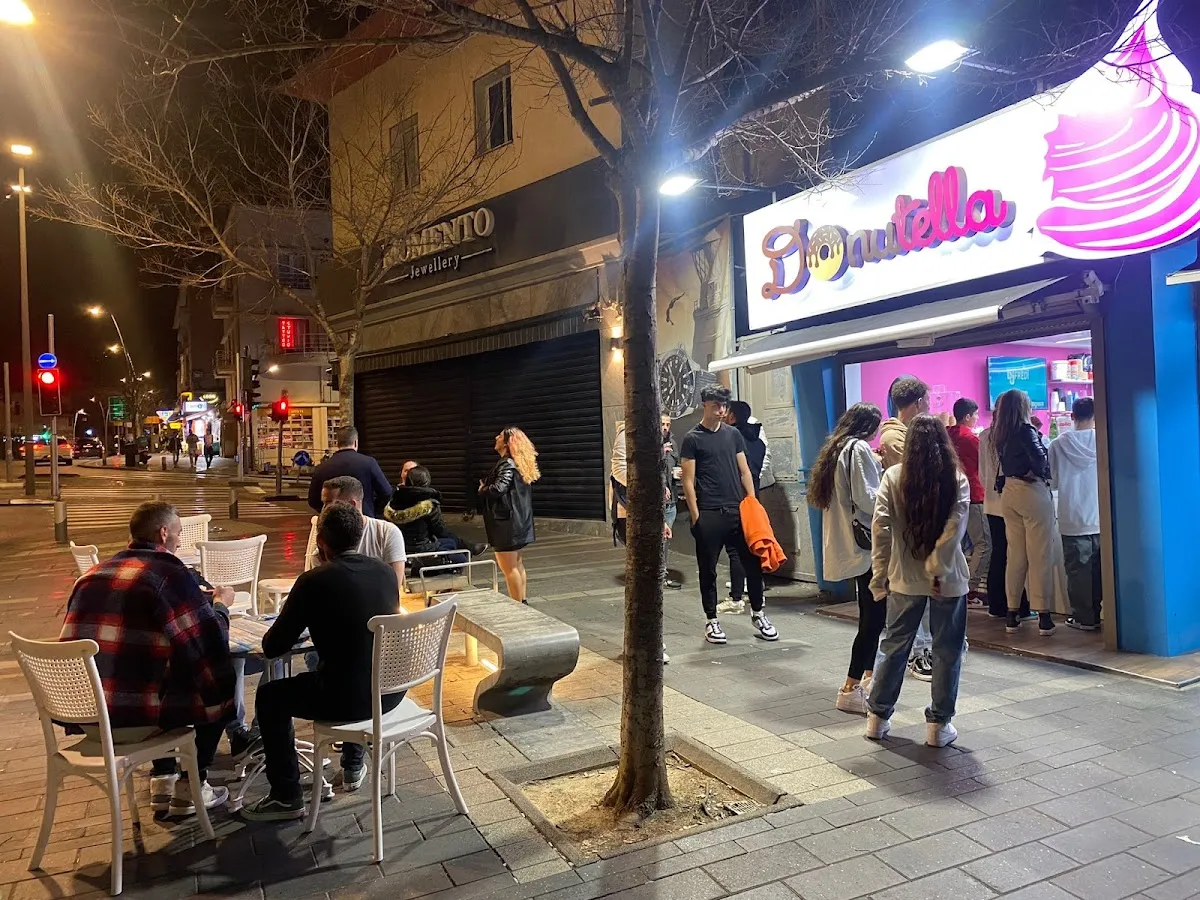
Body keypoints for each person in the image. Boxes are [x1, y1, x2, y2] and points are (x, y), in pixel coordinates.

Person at [60, 501, 237, 815]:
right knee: (216, 683)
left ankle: (163, 778)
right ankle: (192, 785)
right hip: (138, 719)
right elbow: (208, 639)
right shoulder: (169, 574)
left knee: (151, 671)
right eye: (179, 533)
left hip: (88, 716)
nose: (180, 541)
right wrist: (221, 605)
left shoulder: (90, 576)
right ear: (164, 533)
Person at [242, 504, 402, 821]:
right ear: (359, 536)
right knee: (351, 666)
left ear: (320, 541)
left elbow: (273, 646)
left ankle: (285, 796)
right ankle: (352, 764)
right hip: (391, 693)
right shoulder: (385, 572)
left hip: (347, 699)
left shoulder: (313, 581)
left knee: (271, 697)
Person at [866, 415, 971, 748]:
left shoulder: (893, 476)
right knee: (947, 650)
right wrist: (937, 567)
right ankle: (939, 725)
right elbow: (955, 528)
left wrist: (879, 576)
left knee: (894, 645)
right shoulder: (956, 478)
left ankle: (877, 718)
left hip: (903, 578)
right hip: (948, 579)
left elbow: (881, 529)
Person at [681, 385, 779, 644]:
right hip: (710, 512)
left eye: (724, 405)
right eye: (716, 405)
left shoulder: (733, 434)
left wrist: (752, 503)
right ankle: (711, 620)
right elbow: (688, 481)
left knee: (753, 564)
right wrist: (696, 515)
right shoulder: (692, 438)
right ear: (705, 404)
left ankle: (758, 613)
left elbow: (745, 471)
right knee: (708, 570)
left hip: (737, 510)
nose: (721, 410)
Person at [807, 403, 883, 715]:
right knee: (873, 619)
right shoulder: (858, 448)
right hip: (865, 546)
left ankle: (867, 681)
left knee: (871, 617)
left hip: (849, 544)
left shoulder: (836, 448)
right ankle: (851, 687)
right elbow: (867, 499)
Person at [878, 376, 935, 680]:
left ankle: (922, 648)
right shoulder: (896, 438)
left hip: (918, 525)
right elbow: (920, 478)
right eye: (928, 400)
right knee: (911, 594)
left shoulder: (905, 435)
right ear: (919, 402)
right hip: (908, 526)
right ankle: (918, 653)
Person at [993, 388, 1060, 636]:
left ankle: (1012, 613)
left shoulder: (1000, 432)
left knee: (1015, 555)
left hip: (1009, 493)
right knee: (1039, 554)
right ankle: (1044, 615)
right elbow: (1041, 461)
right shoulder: (1025, 430)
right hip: (1031, 491)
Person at [1049, 397, 1102, 631]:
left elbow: (1052, 481)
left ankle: (1083, 617)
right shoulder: (1103, 439)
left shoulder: (1057, 444)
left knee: (1077, 571)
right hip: (1100, 514)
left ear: (1072, 416)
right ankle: (1098, 613)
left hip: (1072, 514)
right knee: (1099, 569)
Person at [979, 421, 1033, 621]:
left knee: (999, 553)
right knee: (1015, 555)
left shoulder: (984, 436)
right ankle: (1018, 605)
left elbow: (982, 473)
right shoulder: (1015, 434)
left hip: (991, 502)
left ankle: (997, 604)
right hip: (1011, 500)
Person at [719, 401, 769, 614]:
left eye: (726, 411)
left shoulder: (731, 440)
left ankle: (736, 598)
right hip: (753, 497)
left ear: (732, 416)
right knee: (752, 547)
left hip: (735, 498)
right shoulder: (758, 441)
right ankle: (757, 595)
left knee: (735, 549)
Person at [480, 427, 539, 603]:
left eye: (500, 436)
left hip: (506, 524)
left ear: (507, 443)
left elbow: (498, 489)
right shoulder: (517, 463)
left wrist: (483, 489)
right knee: (517, 564)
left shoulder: (506, 464)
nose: (495, 437)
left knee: (509, 568)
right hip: (517, 522)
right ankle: (522, 601)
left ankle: (517, 605)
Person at [313, 476, 406, 578]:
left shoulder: (387, 532)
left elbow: (395, 583)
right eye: (323, 503)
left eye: (328, 503)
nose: (323, 509)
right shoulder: (326, 536)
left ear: (351, 505)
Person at [947, 398, 991, 606]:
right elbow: (987, 463)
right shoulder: (971, 439)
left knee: (956, 544)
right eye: (975, 415)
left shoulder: (946, 435)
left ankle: (956, 585)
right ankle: (970, 588)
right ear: (967, 416)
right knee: (984, 544)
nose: (976, 419)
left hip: (952, 494)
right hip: (974, 494)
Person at [384, 466, 485, 557]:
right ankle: (469, 548)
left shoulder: (394, 499)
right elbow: (440, 531)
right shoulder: (429, 505)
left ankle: (468, 547)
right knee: (458, 554)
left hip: (397, 548)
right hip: (420, 550)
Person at [307, 427, 392, 518]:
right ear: (355, 442)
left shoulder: (322, 468)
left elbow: (313, 500)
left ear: (337, 443)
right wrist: (373, 510)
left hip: (332, 521)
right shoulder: (369, 463)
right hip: (363, 517)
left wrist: (328, 511)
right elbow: (386, 492)